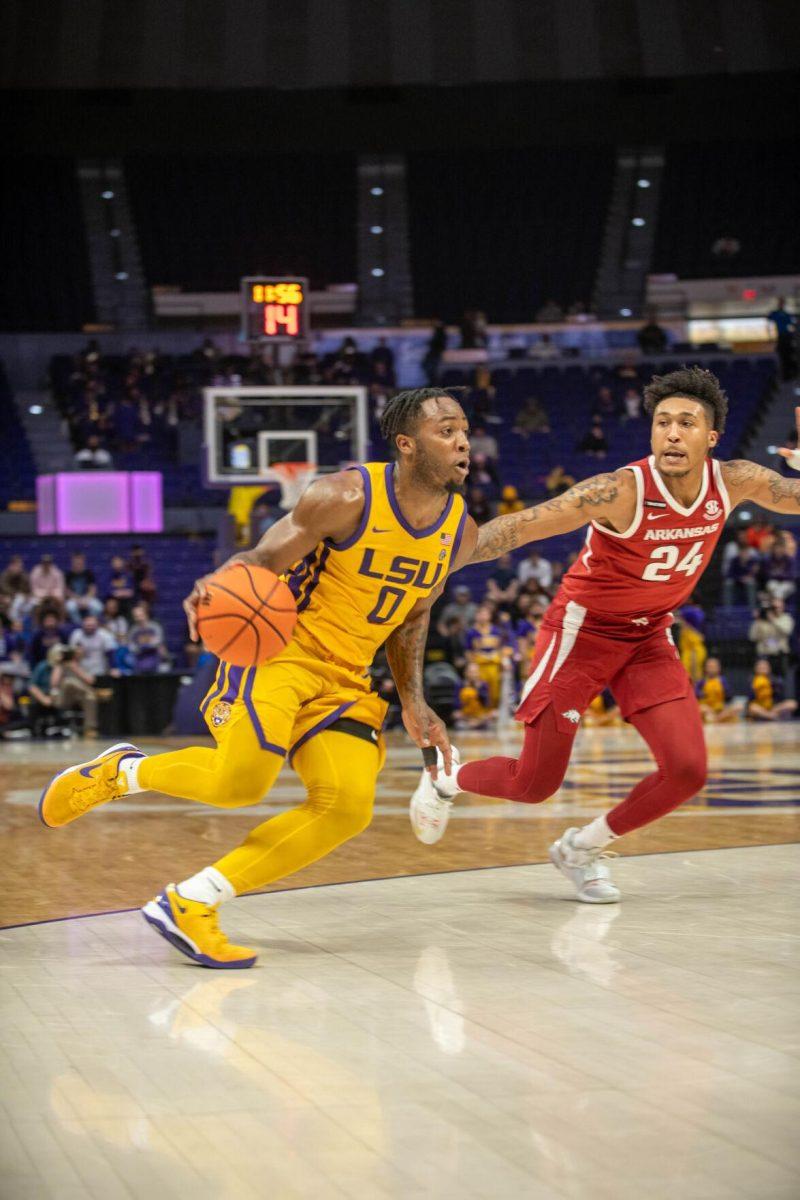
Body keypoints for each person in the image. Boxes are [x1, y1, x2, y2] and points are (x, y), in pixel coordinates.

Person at [39, 388, 485, 969]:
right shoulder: (344, 495)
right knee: (241, 782)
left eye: (464, 430)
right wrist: (213, 588)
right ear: (406, 444)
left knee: (347, 807)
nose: (462, 441)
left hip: (346, 679)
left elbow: (411, 619)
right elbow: (260, 560)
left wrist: (414, 702)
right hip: (279, 652)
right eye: (446, 430)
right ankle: (122, 772)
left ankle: (192, 901)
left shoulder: (459, 527)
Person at [410, 371, 800, 903]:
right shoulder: (618, 490)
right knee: (534, 784)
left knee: (687, 770)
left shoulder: (736, 480)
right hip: (582, 633)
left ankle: (581, 849)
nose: (671, 433)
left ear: (711, 438)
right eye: (663, 422)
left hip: (648, 638)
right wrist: (434, 561)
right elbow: (516, 528)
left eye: (686, 423)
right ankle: (447, 777)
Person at [695, 658, 738, 724]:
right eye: (709, 666)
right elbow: (695, 693)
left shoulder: (723, 680)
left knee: (737, 707)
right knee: (701, 708)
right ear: (705, 668)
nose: (712, 669)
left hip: (720, 709)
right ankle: (718, 719)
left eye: (714, 666)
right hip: (707, 709)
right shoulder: (702, 681)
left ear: (719, 668)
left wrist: (726, 691)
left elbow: (730, 695)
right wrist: (702, 694)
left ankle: (716, 719)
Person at [767, 297, 796, 381]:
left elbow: (791, 324)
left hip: (787, 336)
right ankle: (786, 375)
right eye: (780, 303)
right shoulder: (776, 313)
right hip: (782, 336)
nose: (781, 304)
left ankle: (790, 374)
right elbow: (769, 318)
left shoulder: (786, 314)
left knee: (788, 357)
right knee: (783, 357)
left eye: (782, 303)